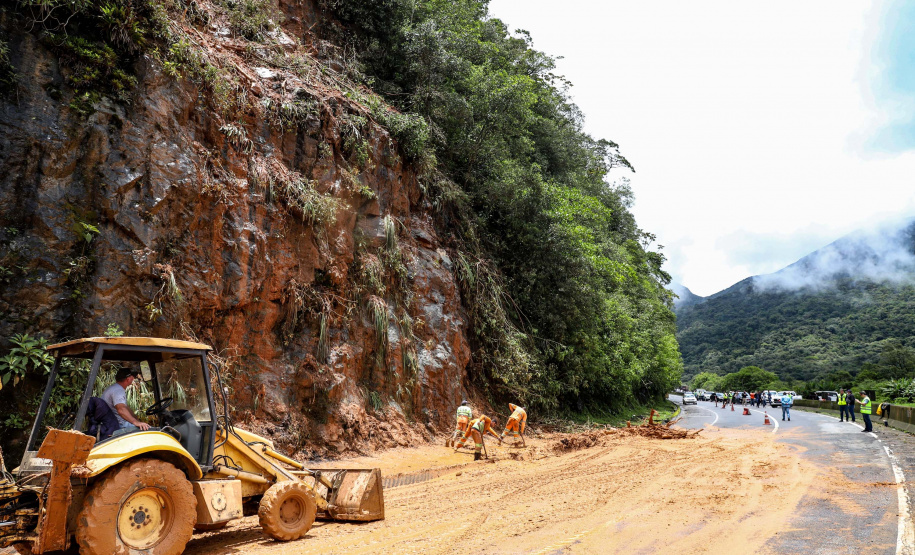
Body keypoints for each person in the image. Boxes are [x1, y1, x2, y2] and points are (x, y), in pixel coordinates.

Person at [100, 367, 150, 431]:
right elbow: (121, 409)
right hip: (120, 425)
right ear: (128, 379)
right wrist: (136, 422)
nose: (134, 379)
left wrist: (137, 419)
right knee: (152, 431)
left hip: (113, 423)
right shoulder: (118, 391)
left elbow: (125, 408)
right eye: (133, 377)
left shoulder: (114, 388)